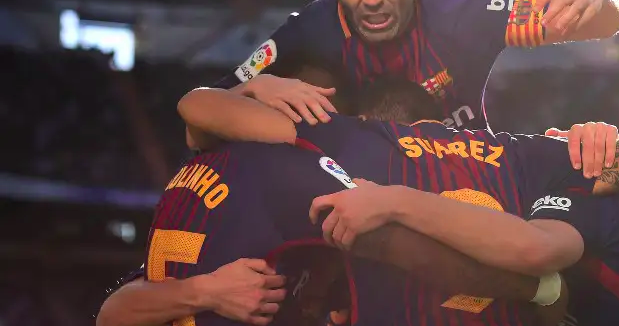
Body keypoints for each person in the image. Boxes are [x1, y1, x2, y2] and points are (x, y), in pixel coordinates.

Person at [179, 64, 619, 325]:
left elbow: (198, 108)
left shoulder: (352, 142)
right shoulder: (528, 152)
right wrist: (599, 143)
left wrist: (254, 87)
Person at [189, 0, 619, 178]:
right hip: (361, 205)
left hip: (473, 186)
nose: (372, 0)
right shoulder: (308, 30)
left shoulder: (466, 13)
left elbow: (602, 23)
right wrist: (253, 87)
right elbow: (198, 126)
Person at [98, 68, 571, 326]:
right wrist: (539, 291)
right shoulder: (297, 167)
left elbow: (112, 313)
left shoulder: (217, 165)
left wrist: (199, 292)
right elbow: (401, 247)